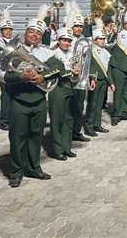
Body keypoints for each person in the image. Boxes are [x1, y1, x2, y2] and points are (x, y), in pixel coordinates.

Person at [1, 4, 65, 188]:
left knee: (35, 135)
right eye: (31, 32)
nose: (34, 35)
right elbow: (2, 75)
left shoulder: (46, 51)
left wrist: (42, 76)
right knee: (17, 137)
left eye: (38, 33)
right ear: (26, 32)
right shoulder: (13, 50)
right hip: (19, 101)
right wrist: (21, 76)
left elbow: (59, 68)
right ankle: (16, 171)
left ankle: (34, 168)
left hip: (38, 101)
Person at [48, 26, 77, 160]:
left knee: (68, 119)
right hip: (57, 88)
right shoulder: (53, 53)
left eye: (69, 41)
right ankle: (57, 149)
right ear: (58, 40)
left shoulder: (71, 53)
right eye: (64, 40)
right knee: (57, 119)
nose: (67, 43)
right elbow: (55, 72)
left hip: (69, 86)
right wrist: (72, 72)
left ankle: (67, 147)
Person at [84, 18, 115, 137]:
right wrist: (91, 78)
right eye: (100, 39)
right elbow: (89, 66)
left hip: (103, 81)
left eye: (103, 39)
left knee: (99, 104)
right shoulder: (90, 50)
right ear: (94, 40)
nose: (102, 41)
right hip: (94, 81)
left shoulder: (106, 52)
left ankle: (97, 124)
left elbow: (108, 70)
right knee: (92, 104)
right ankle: (89, 126)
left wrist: (111, 82)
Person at [69, 6, 91, 143]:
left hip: (81, 78)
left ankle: (76, 132)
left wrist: (90, 76)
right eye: (76, 26)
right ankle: (68, 133)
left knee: (79, 107)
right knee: (69, 109)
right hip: (69, 79)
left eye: (80, 26)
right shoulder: (65, 39)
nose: (78, 28)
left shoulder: (85, 40)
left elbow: (89, 59)